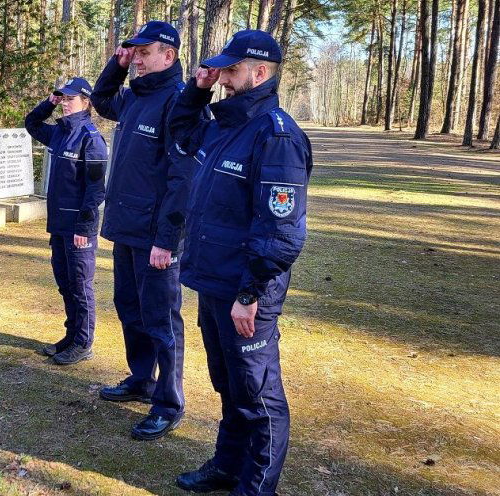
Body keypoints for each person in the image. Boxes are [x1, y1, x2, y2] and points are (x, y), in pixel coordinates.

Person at [167, 30, 312, 495]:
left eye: (231, 70)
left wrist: (250, 294)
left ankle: (257, 487)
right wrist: (197, 87)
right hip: (213, 282)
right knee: (227, 383)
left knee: (259, 395)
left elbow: (281, 231)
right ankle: (228, 467)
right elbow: (180, 133)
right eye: (222, 70)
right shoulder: (223, 124)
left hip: (247, 292)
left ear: (261, 73)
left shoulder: (277, 137)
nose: (224, 78)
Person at [89, 20, 190, 441]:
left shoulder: (180, 103)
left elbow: (182, 178)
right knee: (129, 308)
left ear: (169, 56)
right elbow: (100, 99)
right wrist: (117, 63)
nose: (138, 59)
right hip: (126, 228)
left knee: (161, 318)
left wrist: (167, 240)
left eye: (144, 52)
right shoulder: (133, 98)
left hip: (155, 239)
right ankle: (141, 379)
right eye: (135, 52)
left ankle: (168, 401)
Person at [24, 77, 107, 365]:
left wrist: (84, 228)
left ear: (86, 102)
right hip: (58, 225)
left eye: (70, 98)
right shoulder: (60, 133)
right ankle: (71, 337)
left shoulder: (91, 138)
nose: (65, 103)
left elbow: (96, 189)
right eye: (63, 98)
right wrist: (49, 102)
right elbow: (32, 123)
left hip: (78, 230)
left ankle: (83, 343)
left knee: (81, 286)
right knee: (64, 283)